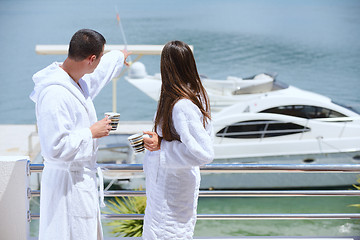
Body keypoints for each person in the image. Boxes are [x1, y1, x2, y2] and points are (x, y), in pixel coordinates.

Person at [29, 29, 131, 240]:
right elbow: (54, 148)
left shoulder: (76, 82)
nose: (100, 62)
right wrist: (91, 132)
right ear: (91, 59)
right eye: (100, 57)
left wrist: (119, 57)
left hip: (79, 182)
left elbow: (99, 75)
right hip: (66, 184)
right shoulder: (54, 94)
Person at [142, 40, 214, 239]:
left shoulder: (183, 106)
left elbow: (204, 153)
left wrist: (162, 147)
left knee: (170, 234)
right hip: (167, 189)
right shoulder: (192, 96)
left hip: (172, 192)